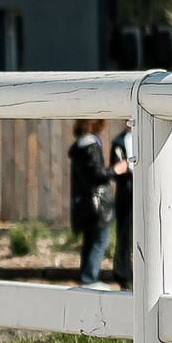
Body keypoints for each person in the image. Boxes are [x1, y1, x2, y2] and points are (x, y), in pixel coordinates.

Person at [68, 120, 113, 288]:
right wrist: (116, 170)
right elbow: (97, 174)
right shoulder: (91, 147)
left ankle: (86, 277)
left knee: (90, 240)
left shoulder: (78, 147)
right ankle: (89, 278)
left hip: (84, 203)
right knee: (100, 240)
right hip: (97, 204)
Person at [109, 121, 135, 288]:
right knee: (124, 233)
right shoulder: (119, 142)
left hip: (141, 189)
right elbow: (115, 169)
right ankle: (123, 272)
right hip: (126, 191)